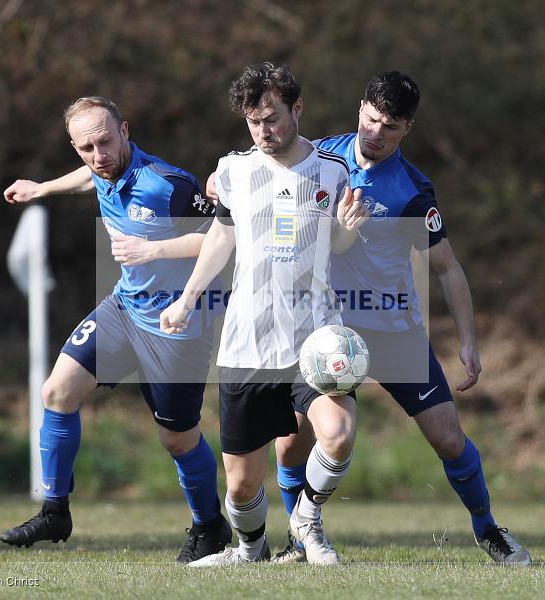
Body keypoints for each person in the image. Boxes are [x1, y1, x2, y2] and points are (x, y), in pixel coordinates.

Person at [268, 71, 532, 565]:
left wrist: (469, 342)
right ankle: (299, 540)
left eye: (389, 126)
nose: (375, 132)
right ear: (360, 108)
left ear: (407, 129)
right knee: (290, 447)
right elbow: (262, 167)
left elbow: (449, 269)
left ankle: (488, 530)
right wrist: (219, 180)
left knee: (450, 439)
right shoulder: (316, 157)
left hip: (393, 329)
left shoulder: (412, 190)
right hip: (329, 332)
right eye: (370, 119)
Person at [0, 97, 232, 563]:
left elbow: (222, 235)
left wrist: (153, 250)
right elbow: (89, 178)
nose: (98, 154)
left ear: (125, 131)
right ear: (76, 147)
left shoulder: (167, 184)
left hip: (176, 324)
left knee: (177, 439)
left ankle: (210, 527)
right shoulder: (99, 169)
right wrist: (41, 188)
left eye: (105, 141)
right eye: (86, 146)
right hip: (124, 310)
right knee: (58, 392)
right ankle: (54, 510)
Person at [160, 63, 369, 566]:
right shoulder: (231, 170)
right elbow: (222, 237)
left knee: (338, 435)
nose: (264, 131)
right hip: (247, 340)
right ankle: (250, 550)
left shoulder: (331, 171)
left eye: (272, 118)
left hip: (314, 338)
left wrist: (349, 228)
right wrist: (187, 297)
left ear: (297, 109)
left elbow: (336, 244)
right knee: (240, 484)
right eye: (254, 121)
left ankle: (308, 519)